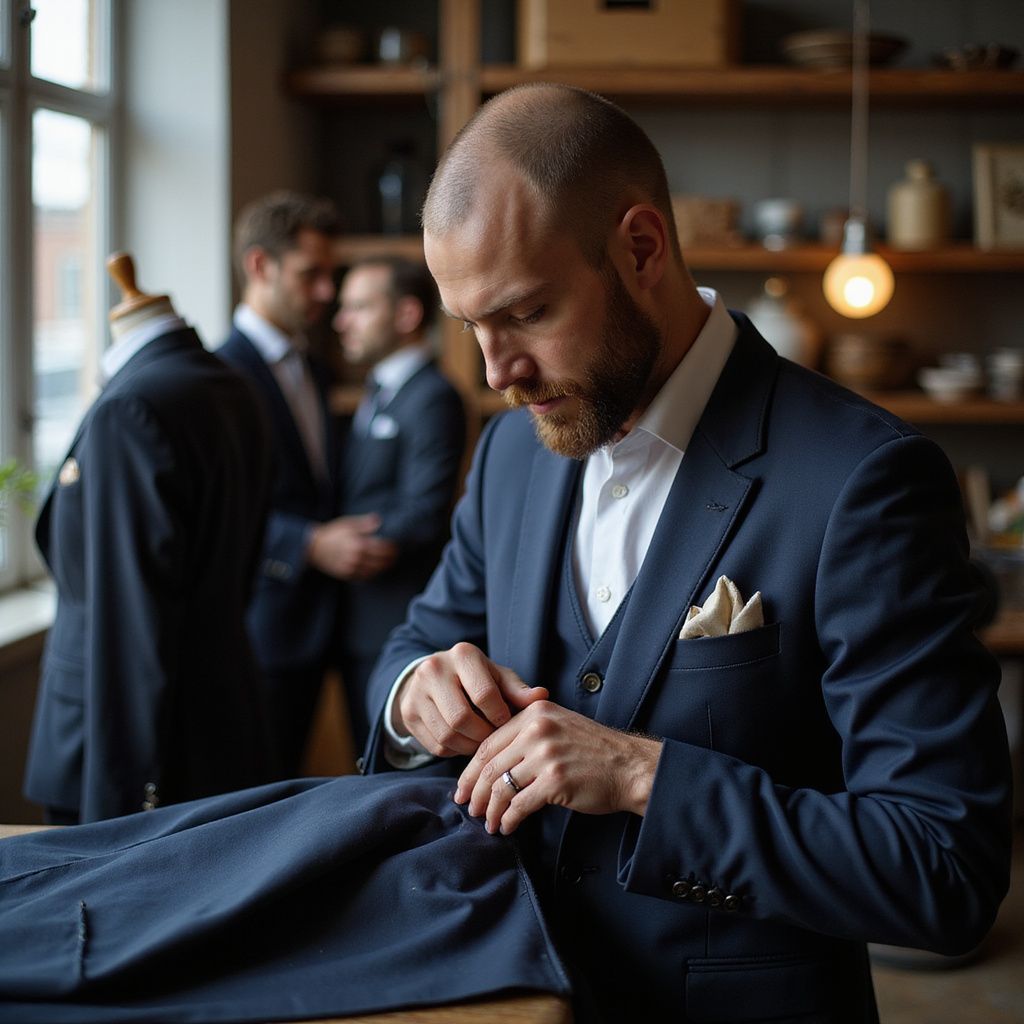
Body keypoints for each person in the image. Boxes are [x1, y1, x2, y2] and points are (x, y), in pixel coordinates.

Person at [363, 85, 1013, 1021]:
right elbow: (415, 642)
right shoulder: (509, 453)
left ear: (640, 248)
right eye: (472, 326)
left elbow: (944, 871)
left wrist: (642, 777)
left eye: (527, 313)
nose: (496, 371)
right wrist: (414, 690)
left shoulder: (865, 481)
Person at [23, 254, 277, 825]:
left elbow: (127, 623)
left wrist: (120, 802)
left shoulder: (132, 408)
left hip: (122, 748)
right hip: (221, 720)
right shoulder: (230, 386)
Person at [219, 192, 398, 776]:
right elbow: (216, 511)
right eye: (310, 274)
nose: (326, 291)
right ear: (259, 266)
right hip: (264, 625)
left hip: (336, 618)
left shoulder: (315, 368)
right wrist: (309, 544)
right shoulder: (219, 377)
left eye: (330, 274)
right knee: (257, 795)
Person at [333, 256, 466, 749]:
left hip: (392, 613)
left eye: (360, 307)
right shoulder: (378, 389)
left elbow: (425, 511)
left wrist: (340, 543)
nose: (341, 321)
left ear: (407, 315)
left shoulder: (434, 396)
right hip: (352, 615)